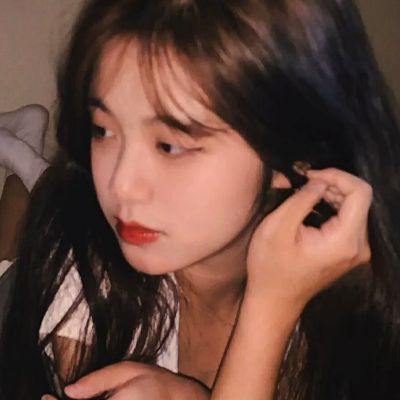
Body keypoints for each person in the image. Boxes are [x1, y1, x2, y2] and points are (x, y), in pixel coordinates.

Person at [1, 0, 400, 399]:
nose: (120, 185)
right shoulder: (89, 267)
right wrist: (270, 308)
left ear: (293, 153)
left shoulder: (354, 294)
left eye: (170, 145)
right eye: (102, 129)